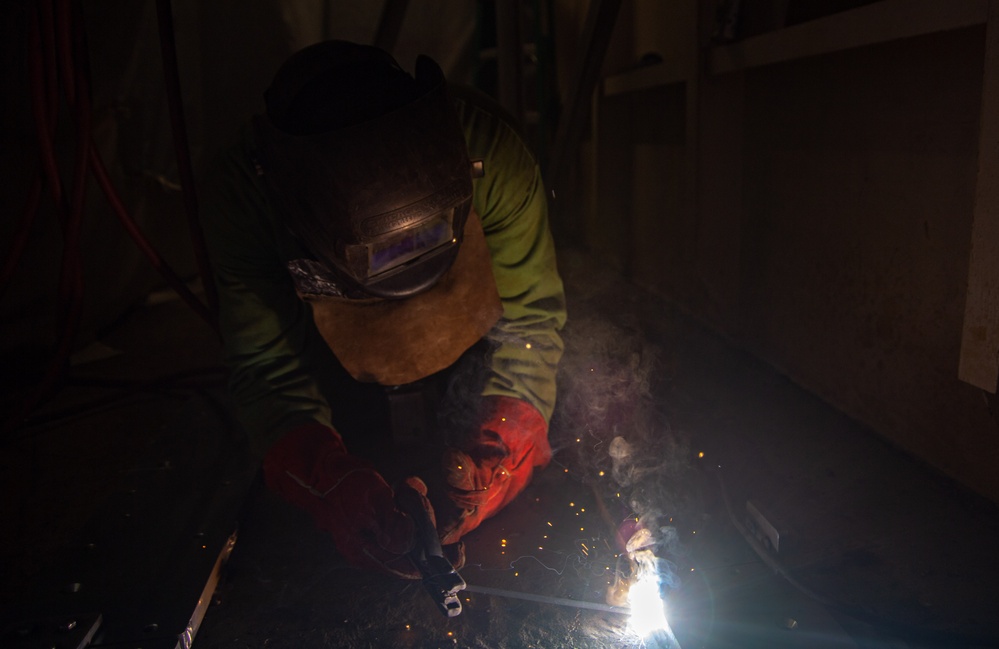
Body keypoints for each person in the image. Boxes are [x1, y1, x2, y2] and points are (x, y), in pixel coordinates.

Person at [200, 40, 566, 578]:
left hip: (477, 346)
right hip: (326, 359)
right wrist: (326, 479)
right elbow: (268, 365)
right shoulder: (246, 198)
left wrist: (501, 450)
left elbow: (531, 321)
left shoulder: (489, 152)